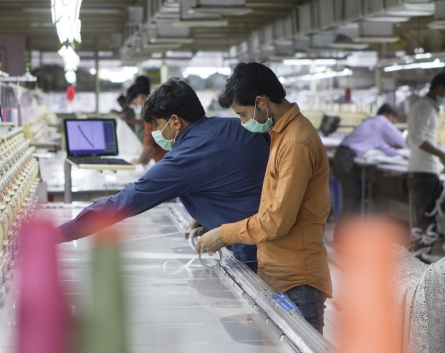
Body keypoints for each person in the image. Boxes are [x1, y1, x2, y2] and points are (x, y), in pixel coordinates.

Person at [58, 78, 265, 271]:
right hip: (278, 238)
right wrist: (208, 216)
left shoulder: (185, 158)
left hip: (256, 255)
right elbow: (238, 182)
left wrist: (56, 234)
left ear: (175, 121)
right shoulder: (235, 126)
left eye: (156, 124)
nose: (155, 131)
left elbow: (123, 203)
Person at [195, 62, 332, 334]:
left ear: (261, 102)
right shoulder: (280, 135)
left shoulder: (295, 143)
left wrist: (224, 233)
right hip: (277, 274)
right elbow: (269, 205)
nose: (243, 122)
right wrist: (216, 221)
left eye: (243, 114)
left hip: (297, 282)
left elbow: (277, 220)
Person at [406, 72, 445, 255]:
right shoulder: (427, 108)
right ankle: (420, 269)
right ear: (440, 88)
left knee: (421, 223)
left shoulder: (417, 106)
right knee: (426, 225)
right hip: (424, 174)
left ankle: (417, 266)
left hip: (418, 171)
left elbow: (409, 140)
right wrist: (443, 155)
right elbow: (416, 138)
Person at [330, 103, 405, 215]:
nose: (393, 122)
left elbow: (384, 147)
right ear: (385, 114)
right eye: (393, 118)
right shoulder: (382, 121)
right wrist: (420, 147)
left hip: (343, 155)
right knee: (352, 195)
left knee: (353, 195)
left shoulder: (373, 124)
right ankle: (344, 230)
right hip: (346, 157)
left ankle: (350, 228)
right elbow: (402, 140)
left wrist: (402, 156)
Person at [127, 78, 168, 165]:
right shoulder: (158, 106)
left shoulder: (150, 111)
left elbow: (149, 142)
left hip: (166, 159)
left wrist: (139, 160)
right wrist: (148, 156)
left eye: (136, 103)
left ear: (140, 97)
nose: (137, 105)